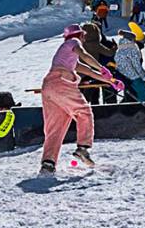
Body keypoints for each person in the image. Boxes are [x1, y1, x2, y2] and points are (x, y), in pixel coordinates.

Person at [40, 25, 120, 173]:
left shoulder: (68, 56)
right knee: (84, 111)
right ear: (79, 35)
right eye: (83, 35)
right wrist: (102, 67)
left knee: (56, 128)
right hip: (61, 83)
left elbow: (88, 71)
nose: (84, 38)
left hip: (49, 87)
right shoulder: (73, 42)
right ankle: (83, 148)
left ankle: (48, 162)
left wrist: (111, 81)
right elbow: (84, 55)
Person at [111, 27, 145, 103]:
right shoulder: (133, 48)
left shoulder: (120, 49)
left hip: (123, 77)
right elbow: (137, 66)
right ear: (131, 39)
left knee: (130, 96)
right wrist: (144, 78)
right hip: (133, 76)